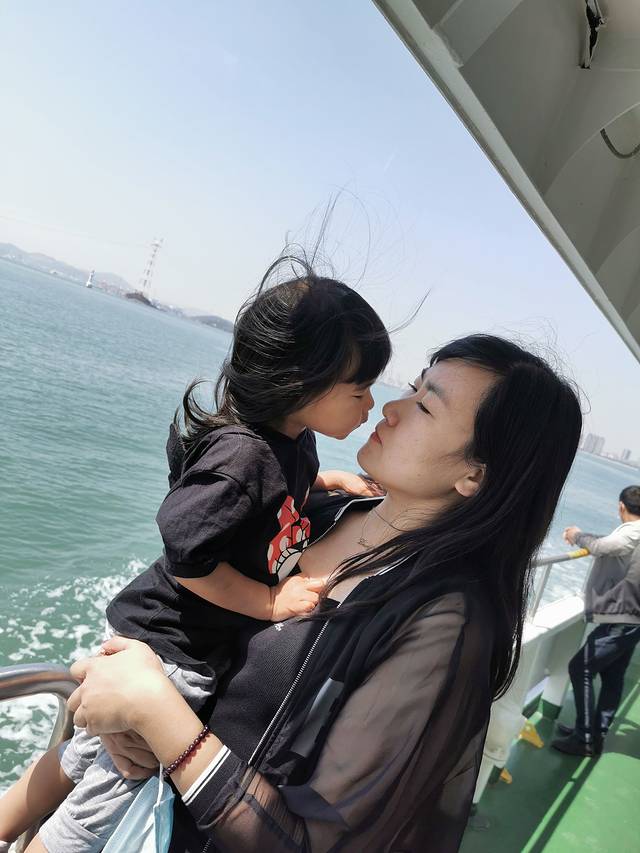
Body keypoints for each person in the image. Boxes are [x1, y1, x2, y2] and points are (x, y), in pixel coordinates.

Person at [48, 334, 579, 853]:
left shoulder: (441, 624)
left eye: (426, 407)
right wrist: (127, 715)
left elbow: (314, 840)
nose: (391, 408)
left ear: (474, 475)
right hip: (124, 807)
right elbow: (175, 605)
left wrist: (158, 717)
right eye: (413, 387)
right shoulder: (317, 511)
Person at [0, 256, 392, 853]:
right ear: (300, 385)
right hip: (171, 647)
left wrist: (325, 482)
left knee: (77, 757)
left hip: (164, 633)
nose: (371, 406)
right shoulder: (242, 456)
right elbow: (188, 553)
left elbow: (272, 496)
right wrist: (268, 601)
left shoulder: (292, 441)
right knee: (98, 807)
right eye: (359, 390)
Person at [552, 485, 640, 756]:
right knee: (613, 676)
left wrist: (577, 535)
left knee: (581, 668)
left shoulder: (634, 532)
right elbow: (613, 543)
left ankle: (585, 738)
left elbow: (604, 546)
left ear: (621, 506)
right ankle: (595, 732)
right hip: (631, 617)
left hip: (624, 617)